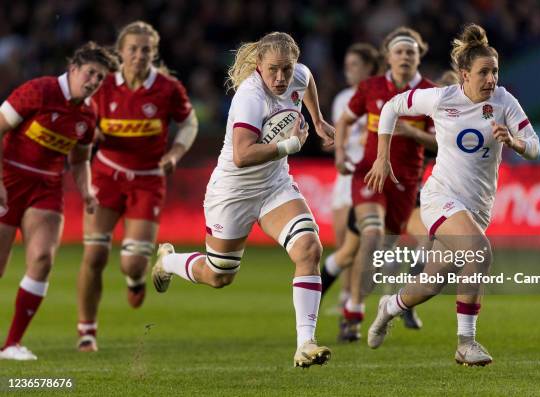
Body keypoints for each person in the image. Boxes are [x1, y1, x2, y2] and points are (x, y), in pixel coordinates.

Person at [151, 32, 335, 368]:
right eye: (273, 70)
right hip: (233, 193)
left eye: (286, 68)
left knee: (309, 249)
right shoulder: (250, 97)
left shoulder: (299, 74)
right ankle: (168, 261)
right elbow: (241, 155)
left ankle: (305, 343)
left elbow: (306, 81)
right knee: (219, 276)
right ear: (259, 67)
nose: (281, 78)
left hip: (274, 186)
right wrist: (290, 147)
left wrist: (318, 119)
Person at [365, 24, 540, 366]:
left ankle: (389, 307)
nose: (491, 79)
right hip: (440, 197)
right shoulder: (442, 98)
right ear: (464, 75)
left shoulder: (505, 102)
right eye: (483, 72)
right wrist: (382, 157)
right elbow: (391, 107)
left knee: (429, 285)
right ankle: (465, 343)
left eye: (495, 72)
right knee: (479, 252)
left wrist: (515, 142)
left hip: (477, 208)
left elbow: (534, 145)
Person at [76, 21, 198, 352]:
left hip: (147, 181)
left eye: (146, 49)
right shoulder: (103, 87)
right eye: (133, 49)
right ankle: (87, 331)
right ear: (121, 52)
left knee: (131, 262)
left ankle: (135, 277)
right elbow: (83, 120)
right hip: (106, 175)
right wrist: (91, 134)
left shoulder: (167, 88)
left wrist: (175, 152)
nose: (139, 55)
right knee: (95, 253)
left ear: (153, 53)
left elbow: (189, 122)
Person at [0, 42, 118, 360]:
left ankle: (11, 345)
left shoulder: (88, 114)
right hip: (8, 180)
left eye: (100, 78)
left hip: (46, 187)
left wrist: (87, 190)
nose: (94, 81)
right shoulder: (38, 90)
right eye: (91, 73)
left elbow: (79, 160)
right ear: (74, 68)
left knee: (42, 259)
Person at [333, 26, 436, 341]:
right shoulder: (370, 87)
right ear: (388, 57)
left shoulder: (431, 95)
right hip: (370, 173)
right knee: (372, 235)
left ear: (419, 56)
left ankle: (386, 302)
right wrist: (339, 152)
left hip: (406, 180)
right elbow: (345, 120)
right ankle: (354, 310)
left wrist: (413, 133)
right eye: (399, 52)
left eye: (410, 52)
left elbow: (439, 143)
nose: (405, 56)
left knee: (385, 251)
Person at [323, 43, 378, 320]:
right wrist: (336, 145)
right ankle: (346, 295)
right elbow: (339, 138)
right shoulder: (342, 98)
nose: (349, 70)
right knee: (343, 241)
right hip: (344, 176)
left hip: (367, 176)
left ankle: (353, 300)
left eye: (354, 64)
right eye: (347, 65)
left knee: (359, 244)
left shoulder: (379, 95)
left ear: (369, 67)